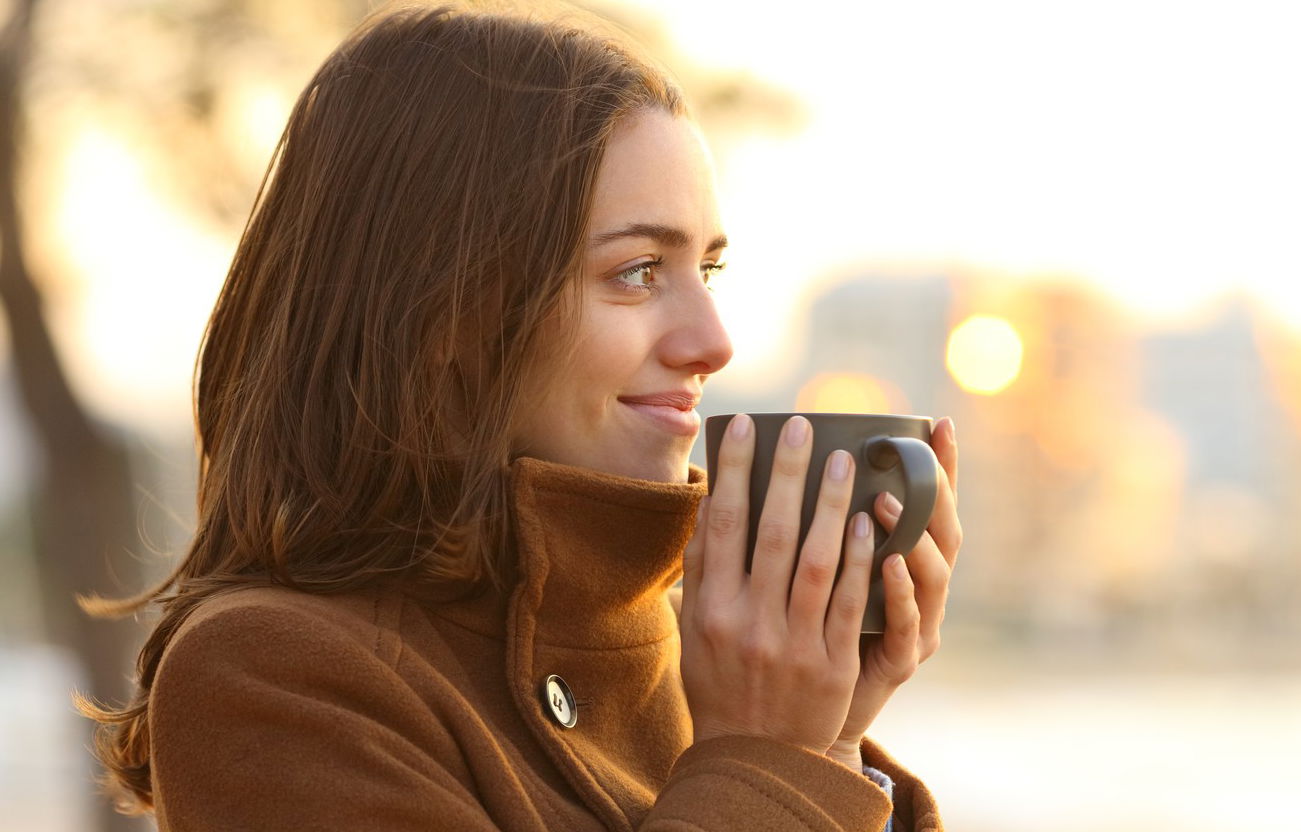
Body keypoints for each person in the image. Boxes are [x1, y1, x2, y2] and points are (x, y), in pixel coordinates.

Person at [73, 2, 963, 830]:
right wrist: (771, 761)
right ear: (441, 314)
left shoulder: (707, 662)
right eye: (639, 271)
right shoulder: (274, 673)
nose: (712, 340)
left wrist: (833, 739)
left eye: (710, 270)